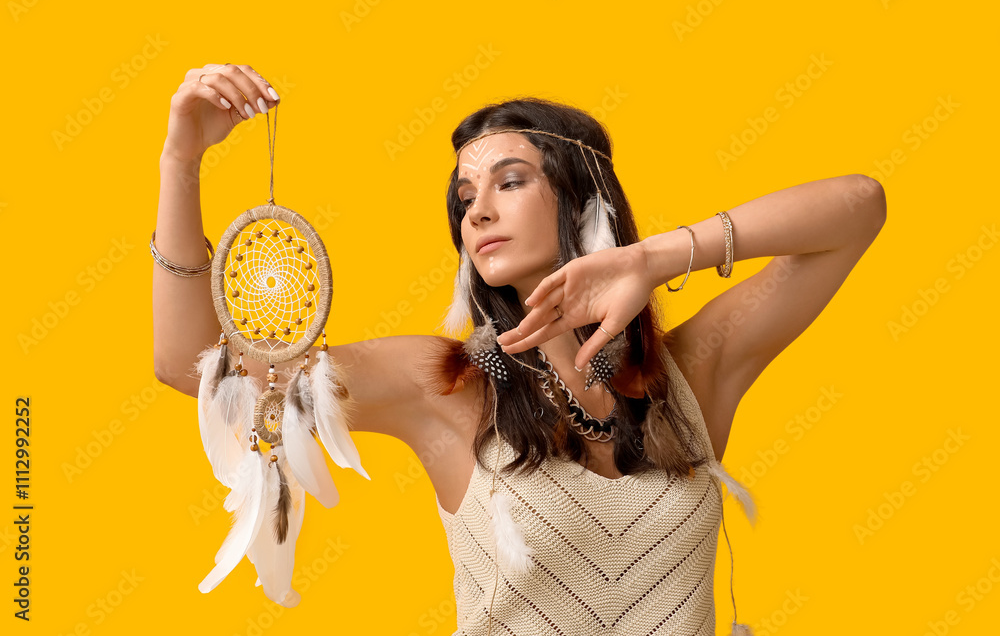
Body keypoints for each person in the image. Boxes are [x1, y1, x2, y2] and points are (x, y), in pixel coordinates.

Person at [152, 63, 888, 635]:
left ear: (579, 198)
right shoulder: (443, 384)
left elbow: (858, 208)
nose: (478, 209)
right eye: (464, 198)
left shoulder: (687, 377)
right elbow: (190, 362)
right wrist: (181, 161)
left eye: (510, 181)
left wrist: (655, 257)